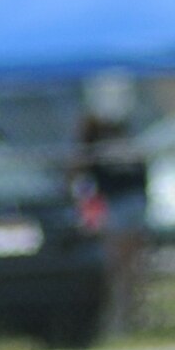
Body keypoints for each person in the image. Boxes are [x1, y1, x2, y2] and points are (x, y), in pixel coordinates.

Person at [71, 108, 149, 337]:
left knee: (118, 269)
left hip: (120, 208)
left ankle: (122, 320)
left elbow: (76, 174)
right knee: (127, 269)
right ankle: (126, 317)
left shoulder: (97, 149)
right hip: (132, 205)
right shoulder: (124, 146)